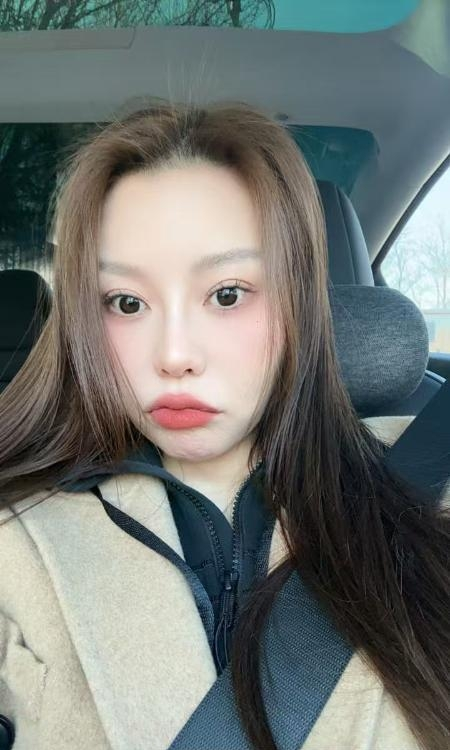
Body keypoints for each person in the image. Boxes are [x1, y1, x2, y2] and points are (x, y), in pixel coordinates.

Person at [0, 102, 448, 750]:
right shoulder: (16, 535)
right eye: (126, 302)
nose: (174, 354)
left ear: (297, 304)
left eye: (228, 294)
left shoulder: (431, 482)